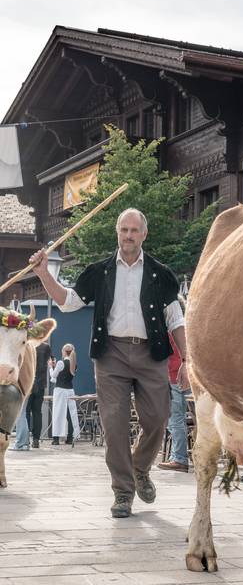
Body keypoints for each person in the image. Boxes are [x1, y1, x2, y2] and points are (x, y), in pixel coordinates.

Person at [29, 207, 187, 519]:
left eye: (134, 230)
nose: (128, 236)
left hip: (151, 353)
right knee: (113, 427)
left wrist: (188, 359)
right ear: (118, 233)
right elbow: (69, 302)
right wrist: (43, 273)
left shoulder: (160, 273)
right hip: (111, 354)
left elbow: (175, 318)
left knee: (158, 419)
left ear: (144, 234)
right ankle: (123, 493)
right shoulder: (100, 271)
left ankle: (140, 468)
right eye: (124, 230)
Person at [158, 333, 191, 472]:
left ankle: (179, 458)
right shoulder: (187, 329)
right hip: (190, 376)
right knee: (194, 419)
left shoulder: (168, 330)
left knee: (175, 420)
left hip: (173, 377)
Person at [49, 344, 80, 445]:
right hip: (70, 390)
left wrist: (51, 367)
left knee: (57, 414)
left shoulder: (60, 363)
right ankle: (70, 437)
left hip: (60, 390)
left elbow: (53, 376)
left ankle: (56, 438)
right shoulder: (74, 364)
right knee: (71, 414)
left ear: (63, 351)